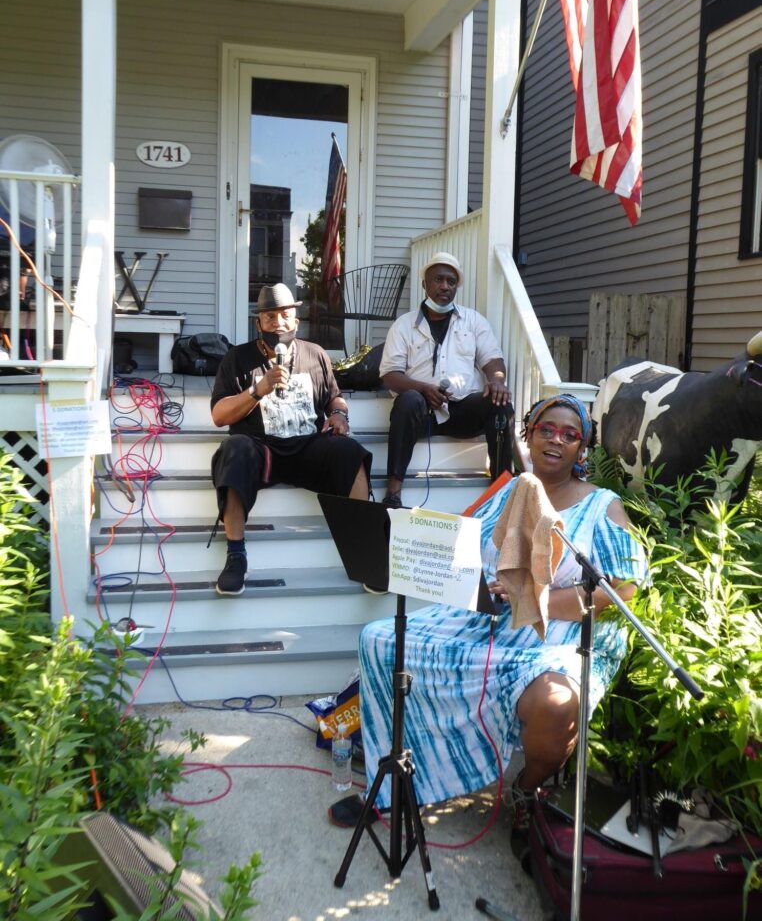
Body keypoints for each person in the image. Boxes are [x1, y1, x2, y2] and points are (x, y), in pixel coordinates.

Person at [329, 395, 648, 861]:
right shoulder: (511, 490)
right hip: (487, 619)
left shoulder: (603, 506)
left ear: (584, 448)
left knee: (555, 704)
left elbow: (625, 588)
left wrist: (541, 600)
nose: (556, 440)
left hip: (555, 633)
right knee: (379, 639)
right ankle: (398, 777)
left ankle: (526, 791)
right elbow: (464, 544)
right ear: (530, 434)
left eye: (570, 434)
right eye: (546, 429)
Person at [210, 283, 372, 596]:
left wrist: (340, 417)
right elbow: (219, 415)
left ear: (296, 320)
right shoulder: (237, 359)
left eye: (285, 315)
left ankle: (365, 550)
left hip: (308, 450)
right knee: (234, 449)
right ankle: (235, 556)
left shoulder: (316, 355)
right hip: (261, 452)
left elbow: (335, 400)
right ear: (258, 324)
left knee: (350, 451)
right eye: (269, 317)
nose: (278, 323)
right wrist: (258, 390)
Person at [379, 251, 513, 508]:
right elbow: (390, 376)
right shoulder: (404, 325)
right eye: (438, 279)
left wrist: (497, 380)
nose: (445, 286)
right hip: (422, 414)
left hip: (461, 410)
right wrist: (422, 389)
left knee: (500, 405)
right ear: (425, 284)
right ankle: (394, 491)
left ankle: (502, 492)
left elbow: (492, 359)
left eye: (451, 281)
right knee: (407, 401)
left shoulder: (473, 321)